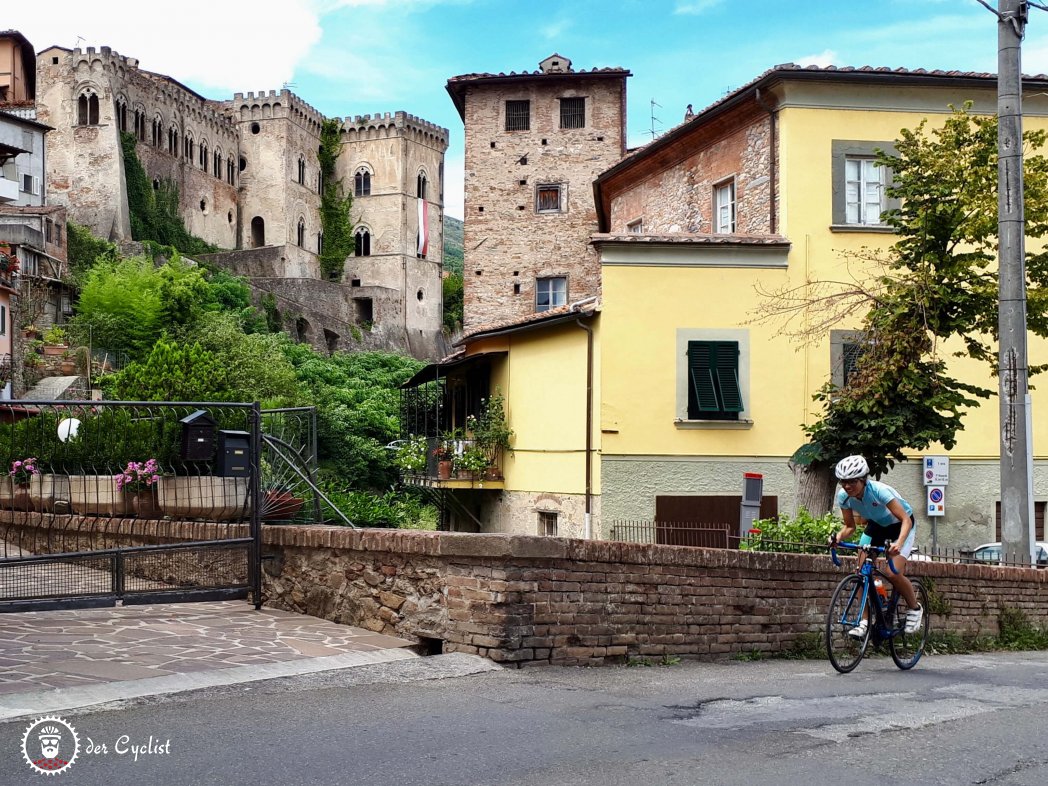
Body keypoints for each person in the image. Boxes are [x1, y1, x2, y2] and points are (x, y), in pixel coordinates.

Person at [827, 455, 923, 638]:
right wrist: (838, 536)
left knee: (893, 573)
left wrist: (899, 544)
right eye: (843, 482)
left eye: (852, 482)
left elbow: (905, 520)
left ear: (863, 479)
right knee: (861, 573)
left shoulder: (880, 491)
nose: (847, 486)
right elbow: (850, 526)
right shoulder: (844, 497)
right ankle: (864, 622)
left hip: (901, 526)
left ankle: (915, 608)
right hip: (877, 526)